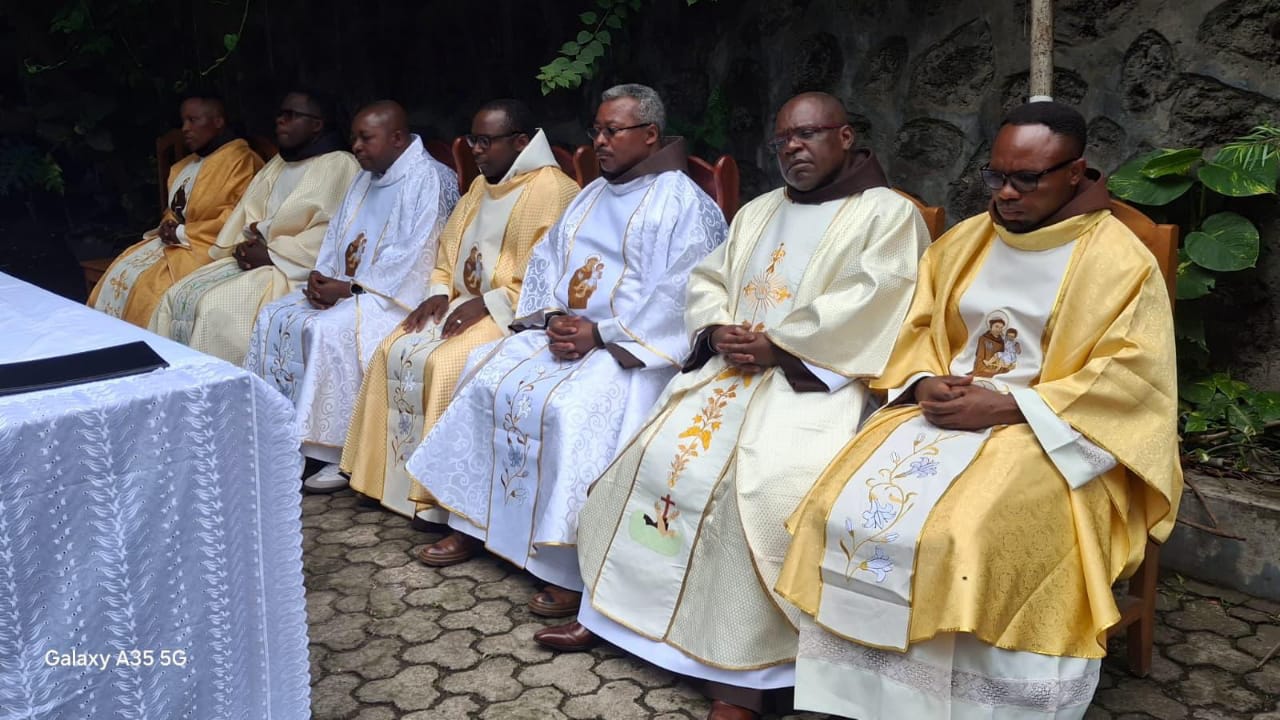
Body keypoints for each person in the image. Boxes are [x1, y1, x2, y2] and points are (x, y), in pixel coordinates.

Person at [775, 101, 1180, 720]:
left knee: (963, 530)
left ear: (1076, 173)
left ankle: (973, 707)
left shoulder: (1119, 259)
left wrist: (1013, 405)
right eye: (997, 176)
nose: (1006, 194)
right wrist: (923, 381)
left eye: (1027, 179)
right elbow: (915, 327)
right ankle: (855, 694)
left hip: (1052, 434)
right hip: (943, 414)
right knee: (839, 505)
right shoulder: (966, 241)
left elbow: (1132, 377)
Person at [542, 92, 931, 720]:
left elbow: (879, 299)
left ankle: (744, 675)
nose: (794, 149)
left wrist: (782, 345)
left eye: (808, 135)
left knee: (763, 487)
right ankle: (613, 616)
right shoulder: (758, 209)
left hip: (815, 385)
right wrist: (718, 327)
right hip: (730, 374)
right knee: (652, 455)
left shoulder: (889, 216)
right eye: (783, 140)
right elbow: (708, 279)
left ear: (846, 137)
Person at [404, 84, 727, 619]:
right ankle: (471, 521)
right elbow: (547, 264)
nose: (599, 141)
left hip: (634, 352)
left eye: (612, 131)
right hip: (565, 334)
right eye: (596, 130)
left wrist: (601, 335)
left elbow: (684, 295)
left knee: (569, 412)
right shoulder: (591, 194)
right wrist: (554, 318)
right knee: (484, 377)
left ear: (650, 134)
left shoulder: (683, 203)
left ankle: (564, 565)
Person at [334, 100, 579, 501]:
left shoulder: (554, 191)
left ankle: (432, 497)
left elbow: (547, 277)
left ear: (520, 142)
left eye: (485, 141)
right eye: (472, 140)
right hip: (459, 303)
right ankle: (380, 480)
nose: (475, 150)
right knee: (392, 347)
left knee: (443, 364)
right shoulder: (481, 186)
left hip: (511, 315)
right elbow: (447, 253)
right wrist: (436, 294)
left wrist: (489, 303)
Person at [243, 100, 459, 471]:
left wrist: (351, 290)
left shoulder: (429, 179)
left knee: (326, 330)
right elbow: (336, 234)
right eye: (354, 137)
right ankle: (278, 435)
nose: (355, 146)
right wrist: (321, 277)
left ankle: (331, 451)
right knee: (273, 315)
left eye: (365, 138)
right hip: (350, 288)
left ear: (397, 138)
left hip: (395, 298)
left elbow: (417, 254)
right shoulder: (365, 176)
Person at [150, 89, 359, 365]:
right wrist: (241, 244)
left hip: (292, 268)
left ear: (317, 125)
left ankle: (215, 386)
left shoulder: (340, 165)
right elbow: (246, 213)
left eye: (291, 115)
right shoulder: (279, 162)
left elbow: (331, 233)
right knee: (177, 295)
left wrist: (273, 254)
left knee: (215, 310)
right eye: (280, 114)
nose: (280, 121)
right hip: (258, 259)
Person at [90, 95, 262, 326]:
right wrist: (168, 225)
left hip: (208, 246)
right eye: (183, 121)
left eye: (193, 120)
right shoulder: (186, 165)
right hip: (177, 241)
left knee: (149, 288)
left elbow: (237, 217)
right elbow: (178, 209)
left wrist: (181, 232)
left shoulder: (241, 161)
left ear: (218, 121)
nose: (185, 129)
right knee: (123, 269)